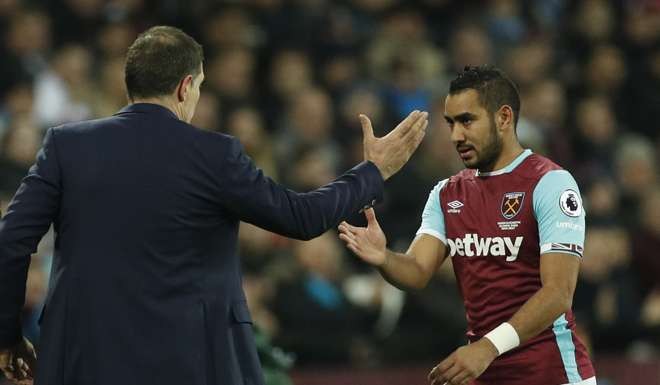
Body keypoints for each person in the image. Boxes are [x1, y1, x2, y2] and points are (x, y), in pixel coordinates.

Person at [0, 26, 428, 385]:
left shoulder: (66, 146)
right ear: (186, 86)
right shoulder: (213, 155)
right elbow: (301, 217)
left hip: (83, 360)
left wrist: (8, 336)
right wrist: (372, 171)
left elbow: (11, 242)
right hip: (191, 362)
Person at [338, 66, 596, 385]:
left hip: (552, 373)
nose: (455, 135)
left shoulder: (551, 183)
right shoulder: (447, 193)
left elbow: (558, 292)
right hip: (484, 372)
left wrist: (487, 347)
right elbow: (417, 271)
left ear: (503, 118)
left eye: (467, 121)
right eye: (451, 123)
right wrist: (384, 258)